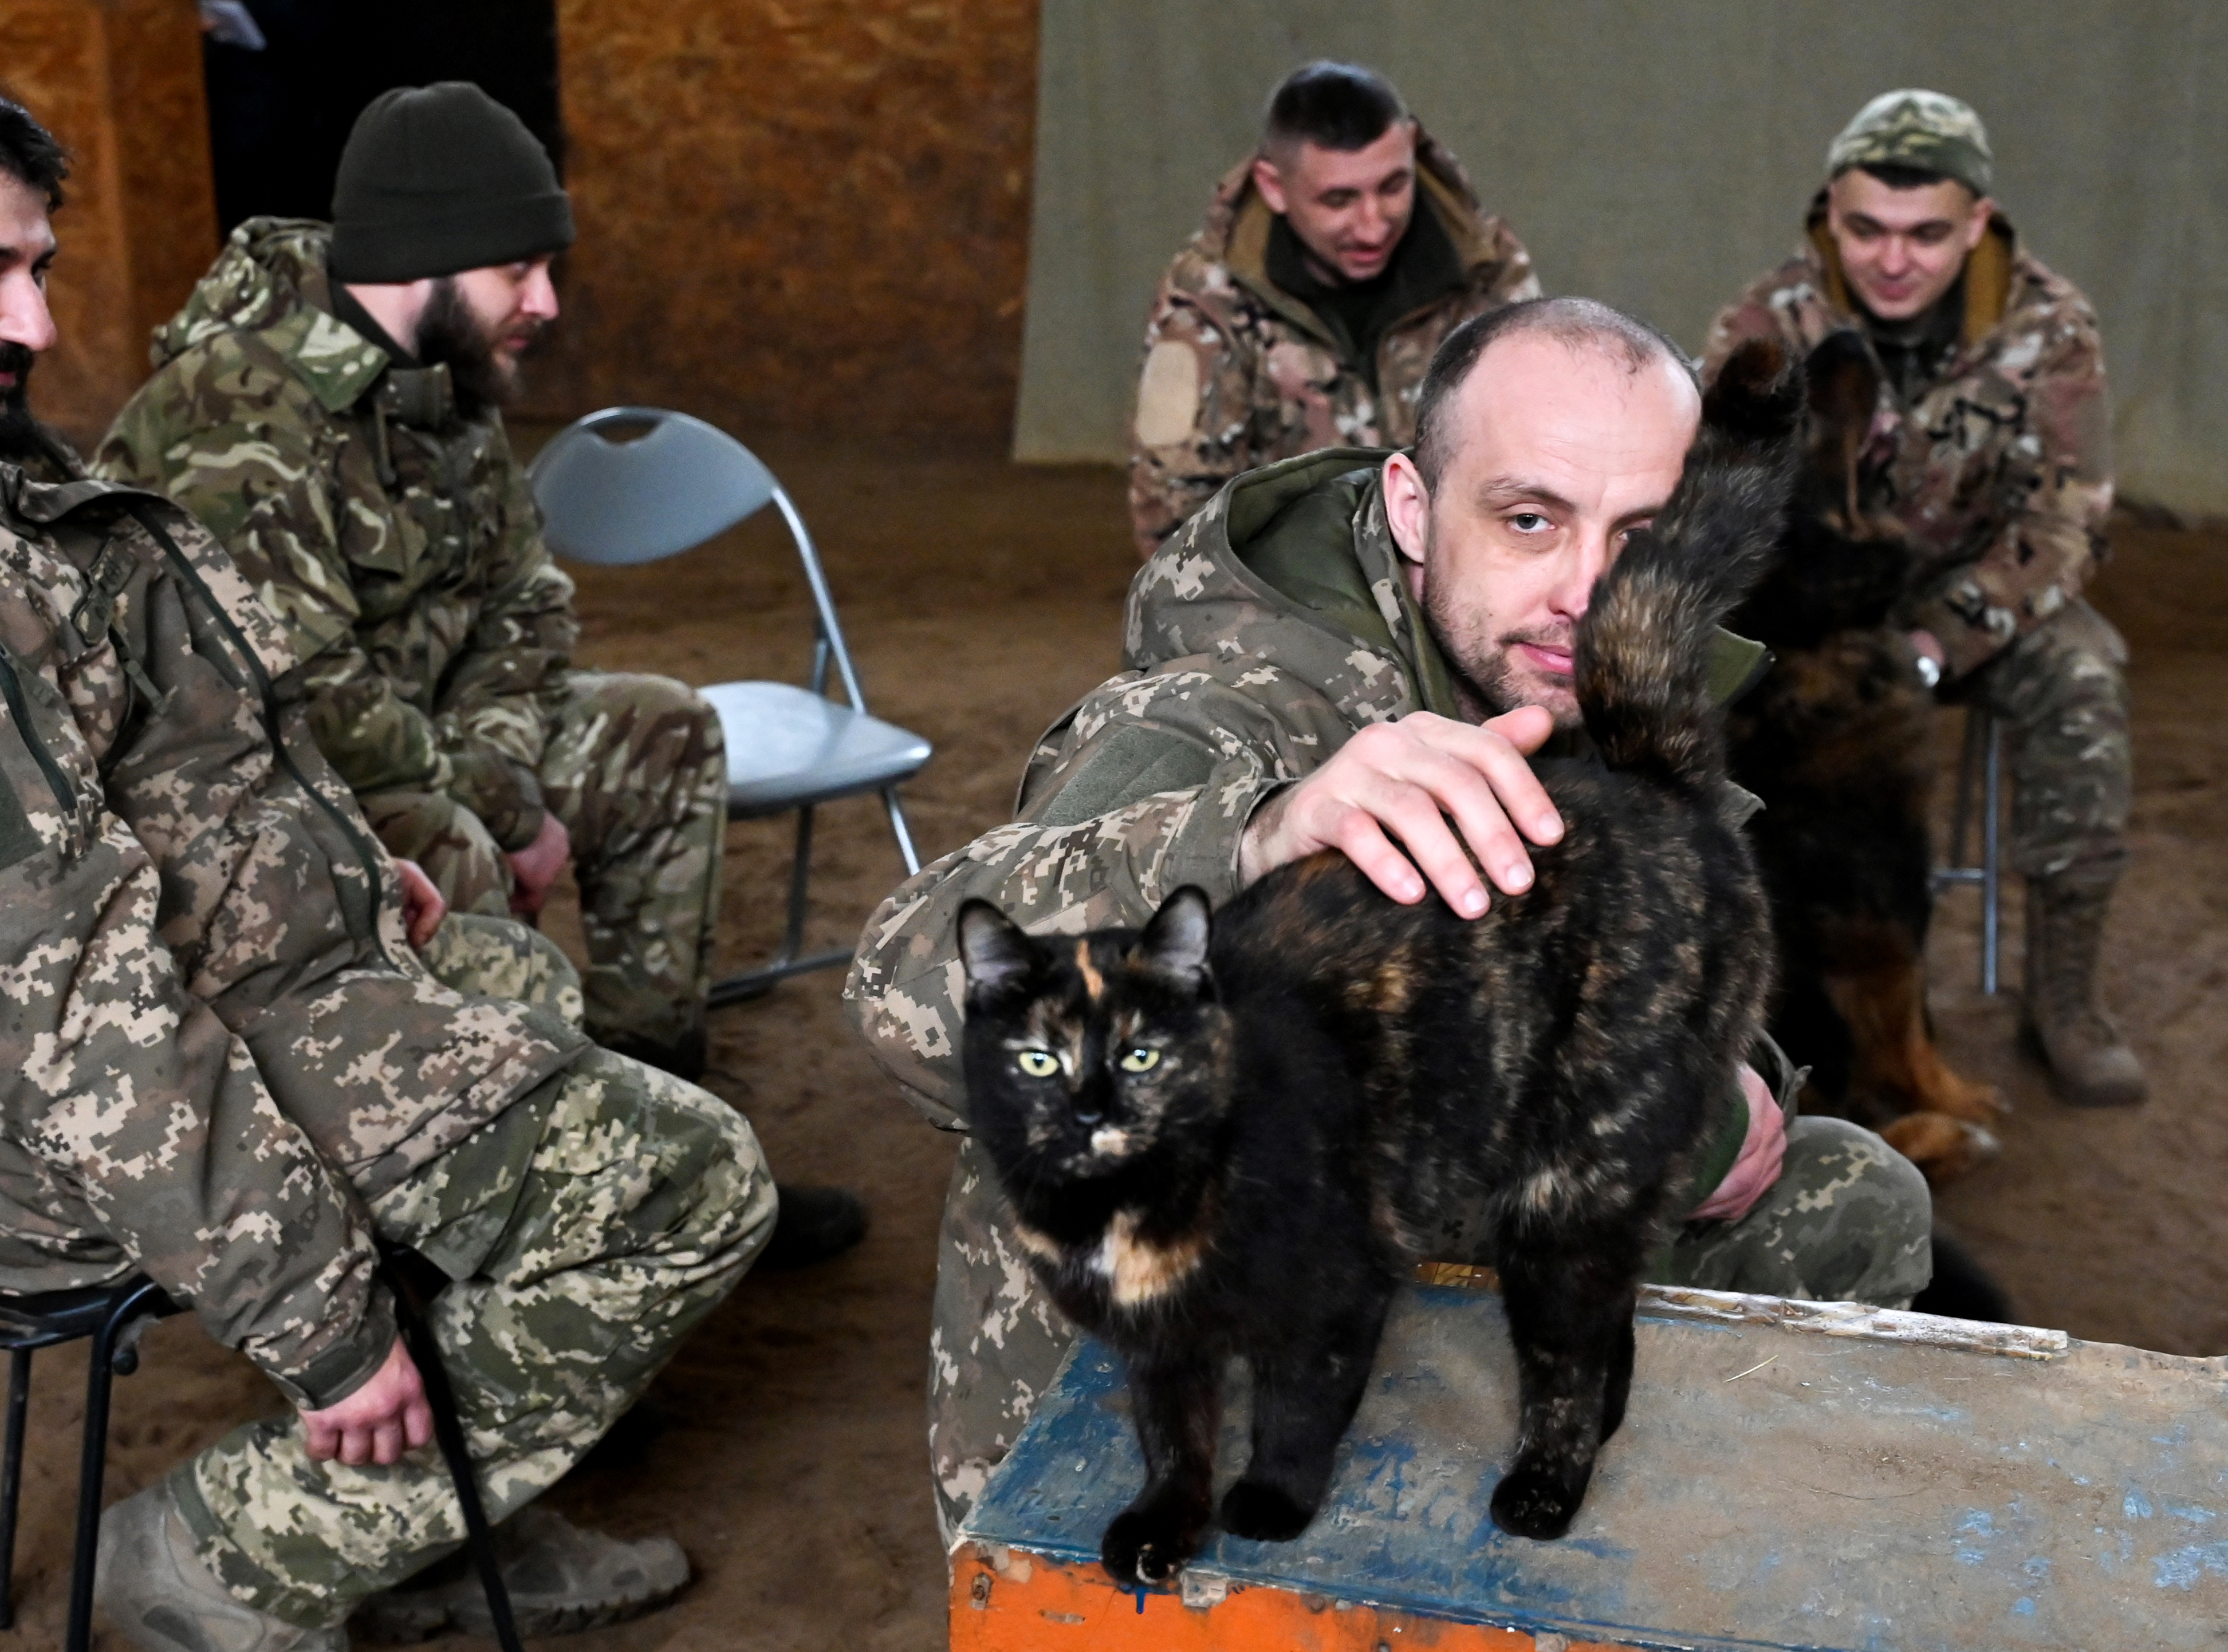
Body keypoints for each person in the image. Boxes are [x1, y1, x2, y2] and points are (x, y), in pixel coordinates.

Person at [0, 50, 772, 1652]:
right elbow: (46, 994)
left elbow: (139, 767)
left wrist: (347, 870)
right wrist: (323, 1322)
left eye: (38, 267)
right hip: (44, 1133)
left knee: (514, 978)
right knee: (690, 1185)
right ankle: (228, 1558)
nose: (37, 323)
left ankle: (442, 1508)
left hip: (206, 989)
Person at [850, 296, 1937, 1534]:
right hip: (1180, 1358)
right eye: (1527, 519)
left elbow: (1667, 996)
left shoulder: (1591, 691)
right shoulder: (1229, 709)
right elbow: (897, 1000)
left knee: (1853, 1193)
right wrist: (1256, 831)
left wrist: (1718, 1082)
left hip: (1437, 1230)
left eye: (1638, 535)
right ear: (1414, 510)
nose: (1586, 590)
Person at [96, 80, 866, 1259]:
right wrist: (502, 810)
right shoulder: (237, 410)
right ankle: (529, 1217)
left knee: (661, 730)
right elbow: (312, 699)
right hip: (270, 788)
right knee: (444, 841)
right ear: (424, 259)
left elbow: (526, 602)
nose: (544, 302)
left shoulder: (441, 376)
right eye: (519, 270)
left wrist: (509, 778)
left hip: (446, 746)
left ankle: (667, 1145)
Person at [1705, 90, 2140, 1106]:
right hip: (1815, 617)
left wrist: (1935, 643)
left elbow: (2064, 523)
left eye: (1925, 235)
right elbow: (1715, 490)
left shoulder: (2047, 326)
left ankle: (2064, 997)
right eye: (1865, 230)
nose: (1892, 260)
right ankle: (1749, 993)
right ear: (1828, 212)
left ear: (1977, 222)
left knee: (2085, 679)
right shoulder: (1768, 320)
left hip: (1979, 597)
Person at [1126, 59, 1540, 559]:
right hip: (1289, 589)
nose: (1372, 226)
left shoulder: (1486, 268)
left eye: (1392, 186)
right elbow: (1175, 517)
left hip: (1464, 572)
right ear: (1274, 187)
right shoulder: (1206, 302)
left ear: (1411, 149)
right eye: (1338, 200)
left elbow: (1540, 450)